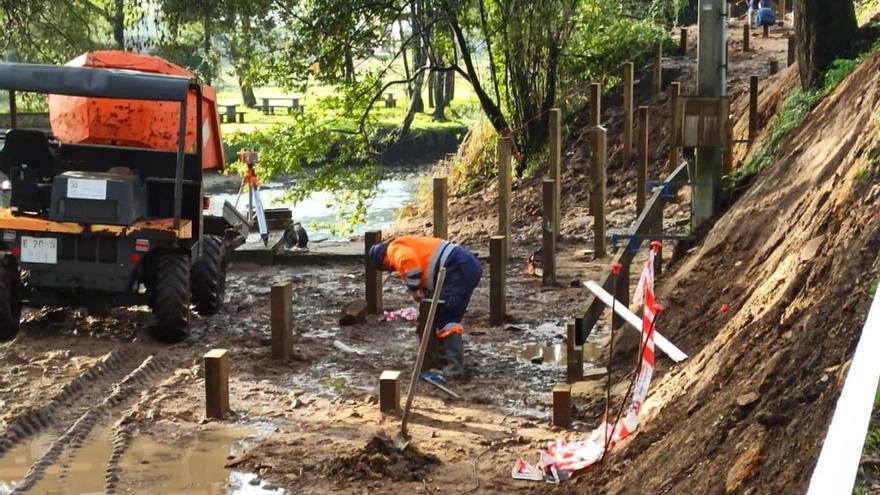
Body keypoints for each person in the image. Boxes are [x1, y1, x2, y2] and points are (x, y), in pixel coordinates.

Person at [369, 236, 482, 378]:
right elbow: (425, 268)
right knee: (440, 313)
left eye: (385, 267)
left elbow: (411, 265)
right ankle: (442, 361)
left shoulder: (394, 249)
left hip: (458, 267)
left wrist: (414, 289)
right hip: (462, 266)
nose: (390, 269)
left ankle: (453, 369)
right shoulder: (404, 245)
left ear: (382, 259)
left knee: (446, 317)